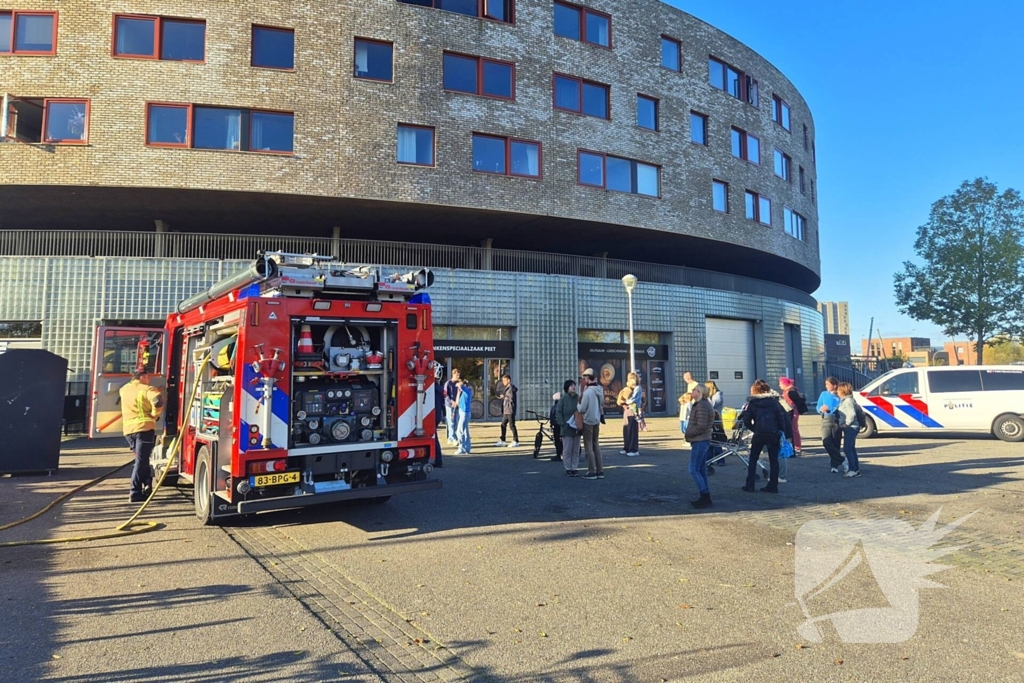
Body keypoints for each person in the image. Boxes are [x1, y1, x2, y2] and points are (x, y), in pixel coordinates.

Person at [119, 369, 164, 503]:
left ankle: (146, 483)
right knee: (141, 461)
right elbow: (158, 400)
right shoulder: (147, 389)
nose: (149, 380)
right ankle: (135, 491)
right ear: (143, 377)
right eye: (148, 377)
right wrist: (155, 414)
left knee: (142, 459)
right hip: (144, 428)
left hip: (128, 430)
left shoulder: (124, 389)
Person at [738, 379, 790, 493]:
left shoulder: (752, 403)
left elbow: (746, 420)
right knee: (773, 460)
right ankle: (773, 485)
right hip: (773, 434)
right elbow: (780, 418)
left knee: (753, 459)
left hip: (759, 434)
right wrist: (781, 431)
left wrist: (754, 429)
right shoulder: (774, 402)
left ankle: (750, 484)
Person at [684, 384, 714, 508]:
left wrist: (688, 433)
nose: (692, 392)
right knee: (701, 469)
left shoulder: (702, 405)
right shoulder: (702, 404)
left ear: (700, 392)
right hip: (701, 440)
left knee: (693, 469)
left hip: (700, 440)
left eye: (694, 390)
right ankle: (705, 495)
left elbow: (701, 425)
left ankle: (704, 494)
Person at [578, 368, 605, 480]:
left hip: (588, 420)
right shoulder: (599, 389)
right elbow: (602, 404)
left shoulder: (588, 392)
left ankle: (591, 471)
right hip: (597, 419)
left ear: (587, 378)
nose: (584, 380)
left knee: (588, 446)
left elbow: (582, 408)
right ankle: (600, 470)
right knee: (596, 444)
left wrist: (577, 405)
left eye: (584, 378)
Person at [816, 376, 847, 473]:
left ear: (834, 386)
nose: (826, 386)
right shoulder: (823, 394)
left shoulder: (839, 395)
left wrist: (830, 409)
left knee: (836, 443)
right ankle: (842, 460)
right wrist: (821, 409)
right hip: (826, 419)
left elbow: (840, 407)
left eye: (828, 384)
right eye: (825, 384)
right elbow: (818, 405)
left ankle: (834, 465)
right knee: (826, 442)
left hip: (836, 420)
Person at [836, 382, 863, 478]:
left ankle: (853, 469)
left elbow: (851, 414)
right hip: (852, 427)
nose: (837, 391)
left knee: (847, 449)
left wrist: (846, 424)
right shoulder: (849, 400)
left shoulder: (848, 401)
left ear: (842, 391)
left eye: (838, 390)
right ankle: (856, 468)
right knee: (851, 449)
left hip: (851, 427)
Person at [554, 380, 581, 476]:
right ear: (567, 388)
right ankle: (568, 468)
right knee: (567, 449)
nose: (573, 387)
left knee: (576, 450)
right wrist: (563, 424)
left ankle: (574, 467)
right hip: (567, 428)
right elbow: (558, 412)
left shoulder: (578, 398)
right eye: (571, 386)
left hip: (577, 427)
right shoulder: (563, 399)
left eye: (574, 385)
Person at [617, 372, 641, 457]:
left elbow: (633, 399)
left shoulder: (637, 388)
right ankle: (626, 447)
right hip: (627, 410)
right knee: (626, 429)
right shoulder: (627, 388)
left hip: (633, 409)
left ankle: (634, 449)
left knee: (632, 430)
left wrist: (625, 401)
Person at [494, 374, 520, 448]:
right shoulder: (507, 388)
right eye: (502, 381)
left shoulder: (511, 388)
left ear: (509, 380)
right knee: (503, 425)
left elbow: (511, 398)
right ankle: (503, 440)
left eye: (504, 380)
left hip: (510, 410)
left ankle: (516, 441)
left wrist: (504, 396)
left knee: (512, 426)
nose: (503, 382)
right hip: (506, 410)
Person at [778, 377, 802, 456]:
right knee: (792, 428)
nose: (779, 385)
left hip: (792, 411)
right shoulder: (787, 390)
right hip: (789, 411)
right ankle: (795, 445)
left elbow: (794, 402)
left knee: (793, 429)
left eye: (780, 384)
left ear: (784, 384)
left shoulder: (790, 391)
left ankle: (797, 446)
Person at [454, 379, 473, 455]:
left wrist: (458, 383)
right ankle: (467, 448)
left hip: (465, 413)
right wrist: (458, 393)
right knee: (465, 432)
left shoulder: (467, 391)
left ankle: (461, 448)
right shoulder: (463, 393)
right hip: (462, 412)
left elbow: (460, 385)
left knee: (459, 431)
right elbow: (457, 402)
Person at [443, 368, 460, 445]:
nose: (458, 376)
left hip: (456, 405)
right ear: (453, 374)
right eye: (457, 374)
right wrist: (451, 401)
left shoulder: (458, 383)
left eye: (459, 374)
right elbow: (445, 394)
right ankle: (452, 438)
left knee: (456, 422)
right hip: (449, 405)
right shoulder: (448, 383)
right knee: (451, 422)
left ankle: (451, 437)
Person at [432, 364, 445, 468]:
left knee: (434, 438)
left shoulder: (433, 389)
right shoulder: (439, 389)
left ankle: (438, 460)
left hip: (433, 415)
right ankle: (438, 459)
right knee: (435, 437)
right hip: (437, 415)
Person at [548, 392, 563, 460]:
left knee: (557, 440)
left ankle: (558, 455)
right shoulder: (563, 406)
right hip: (562, 425)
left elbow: (552, 416)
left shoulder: (554, 407)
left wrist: (551, 423)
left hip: (556, 425)